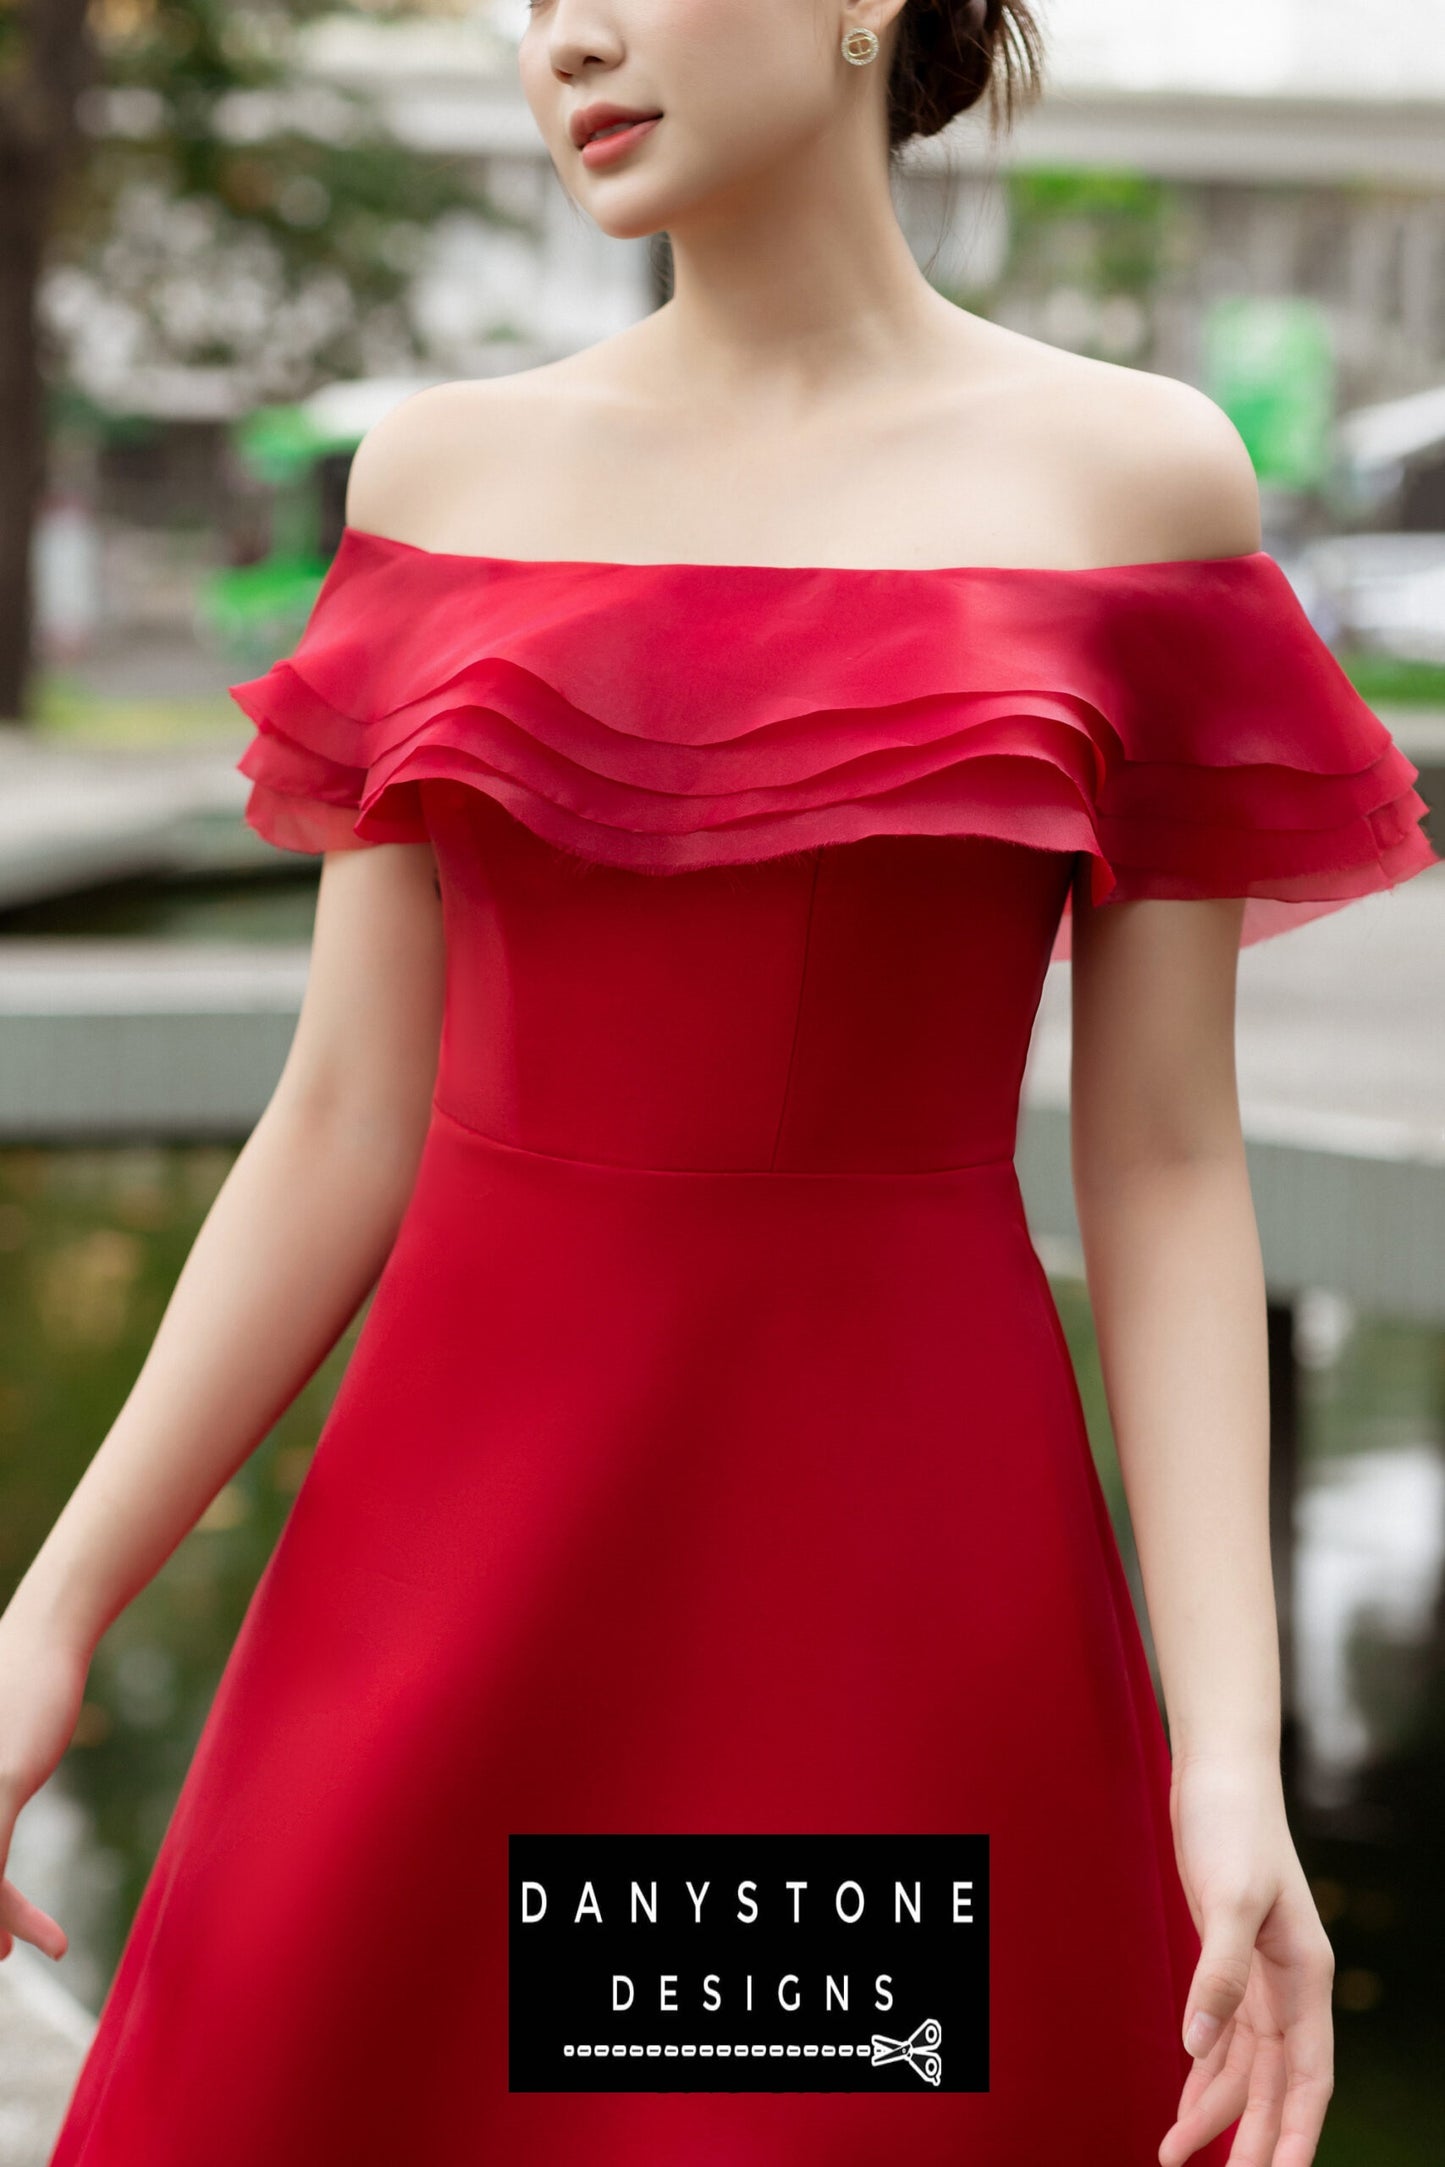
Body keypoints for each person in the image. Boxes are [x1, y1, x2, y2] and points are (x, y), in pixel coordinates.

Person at [3, 4, 1436, 2162]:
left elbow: (1159, 1159)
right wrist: (49, 1613)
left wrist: (1228, 1752)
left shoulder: (1127, 480)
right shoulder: (445, 474)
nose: (568, 34)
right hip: (452, 1556)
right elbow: (336, 1119)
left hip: (882, 1566)